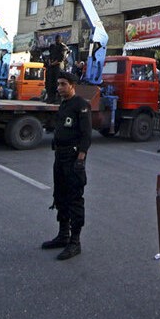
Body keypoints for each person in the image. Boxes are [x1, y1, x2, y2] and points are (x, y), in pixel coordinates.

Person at [41, 72, 92, 260]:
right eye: (58, 84)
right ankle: (63, 236)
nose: (59, 87)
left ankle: (75, 242)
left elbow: (86, 135)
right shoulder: (63, 105)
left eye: (63, 84)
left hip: (73, 157)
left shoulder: (81, 105)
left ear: (72, 85)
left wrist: (80, 159)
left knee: (74, 198)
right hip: (60, 156)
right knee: (60, 196)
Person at [45, 36, 67, 103]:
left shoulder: (63, 47)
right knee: (50, 82)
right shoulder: (52, 46)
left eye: (59, 39)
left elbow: (62, 58)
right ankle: (51, 98)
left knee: (58, 82)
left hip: (58, 67)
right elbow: (50, 55)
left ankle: (58, 99)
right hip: (51, 66)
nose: (57, 40)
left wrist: (54, 63)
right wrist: (50, 62)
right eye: (56, 39)